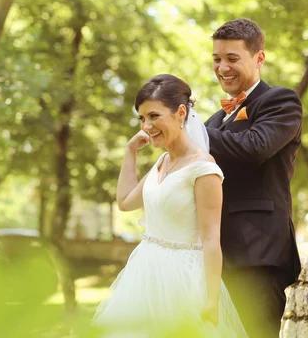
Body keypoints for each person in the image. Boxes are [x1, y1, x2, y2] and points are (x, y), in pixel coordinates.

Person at [92, 74, 247, 337]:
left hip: (182, 279)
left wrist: (211, 299)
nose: (146, 126)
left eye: (154, 116)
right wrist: (130, 152)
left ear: (181, 112)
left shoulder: (204, 168)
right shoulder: (162, 162)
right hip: (144, 272)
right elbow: (125, 202)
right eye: (141, 118)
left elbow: (211, 240)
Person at [205, 18, 302, 338]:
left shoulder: (281, 100)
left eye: (232, 58)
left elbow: (255, 147)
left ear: (259, 58)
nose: (222, 68)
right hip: (213, 255)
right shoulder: (214, 121)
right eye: (217, 59)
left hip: (257, 251)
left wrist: (187, 131)